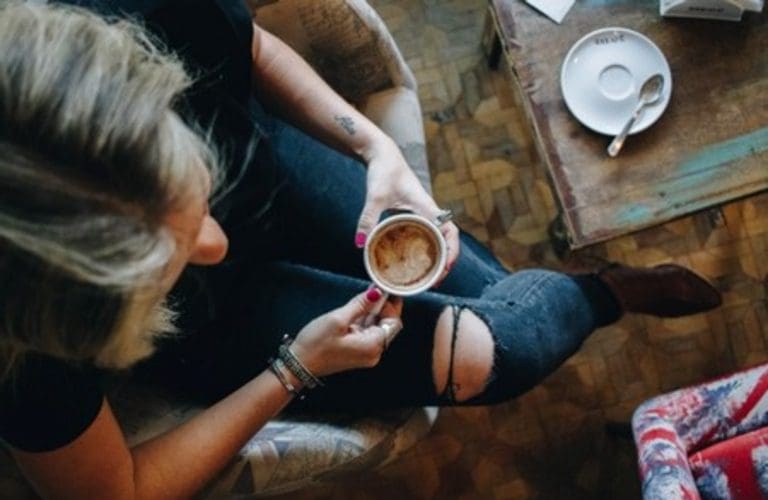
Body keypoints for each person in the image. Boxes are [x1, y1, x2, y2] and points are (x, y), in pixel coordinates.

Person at [0, 0, 722, 497]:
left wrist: (375, 148)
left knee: (479, 286)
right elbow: (118, 489)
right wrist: (294, 369)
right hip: (213, 332)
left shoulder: (115, 21)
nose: (214, 246)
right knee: (501, 355)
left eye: (191, 183)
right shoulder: (26, 352)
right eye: (171, 258)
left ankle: (566, 290)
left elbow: (251, 47)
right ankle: (608, 291)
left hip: (274, 169)